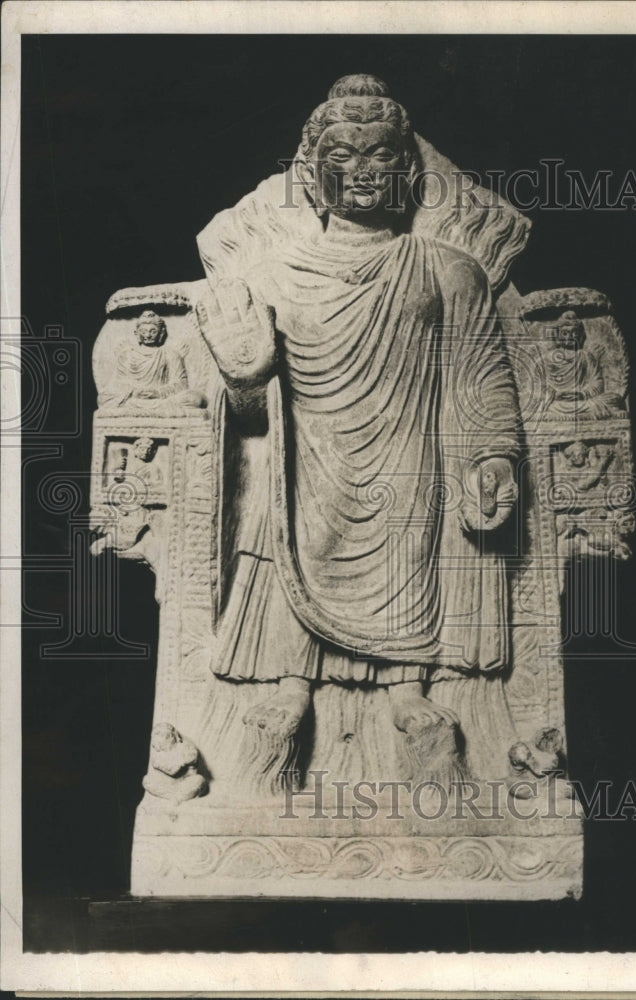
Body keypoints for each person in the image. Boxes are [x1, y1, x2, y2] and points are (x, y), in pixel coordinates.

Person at [196, 75, 522, 790]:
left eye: (381, 155)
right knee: (282, 517)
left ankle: (408, 686)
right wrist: (245, 376)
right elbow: (251, 427)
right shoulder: (271, 274)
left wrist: (494, 459)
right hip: (305, 464)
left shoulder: (449, 270)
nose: (363, 170)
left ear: (407, 169)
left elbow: (479, 381)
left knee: (413, 522)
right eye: (342, 155)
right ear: (313, 172)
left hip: (408, 465)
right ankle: (292, 685)